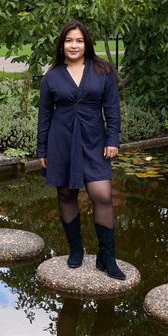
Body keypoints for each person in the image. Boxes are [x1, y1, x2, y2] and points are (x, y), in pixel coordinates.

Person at [36, 20, 126, 280]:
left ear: (86, 43)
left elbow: (112, 108)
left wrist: (113, 139)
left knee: (103, 195)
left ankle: (106, 257)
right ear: (61, 45)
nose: (73, 45)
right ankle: (76, 248)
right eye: (68, 41)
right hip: (61, 140)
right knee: (66, 194)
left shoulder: (102, 71)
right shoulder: (52, 75)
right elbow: (44, 116)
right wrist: (41, 149)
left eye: (79, 40)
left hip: (95, 140)